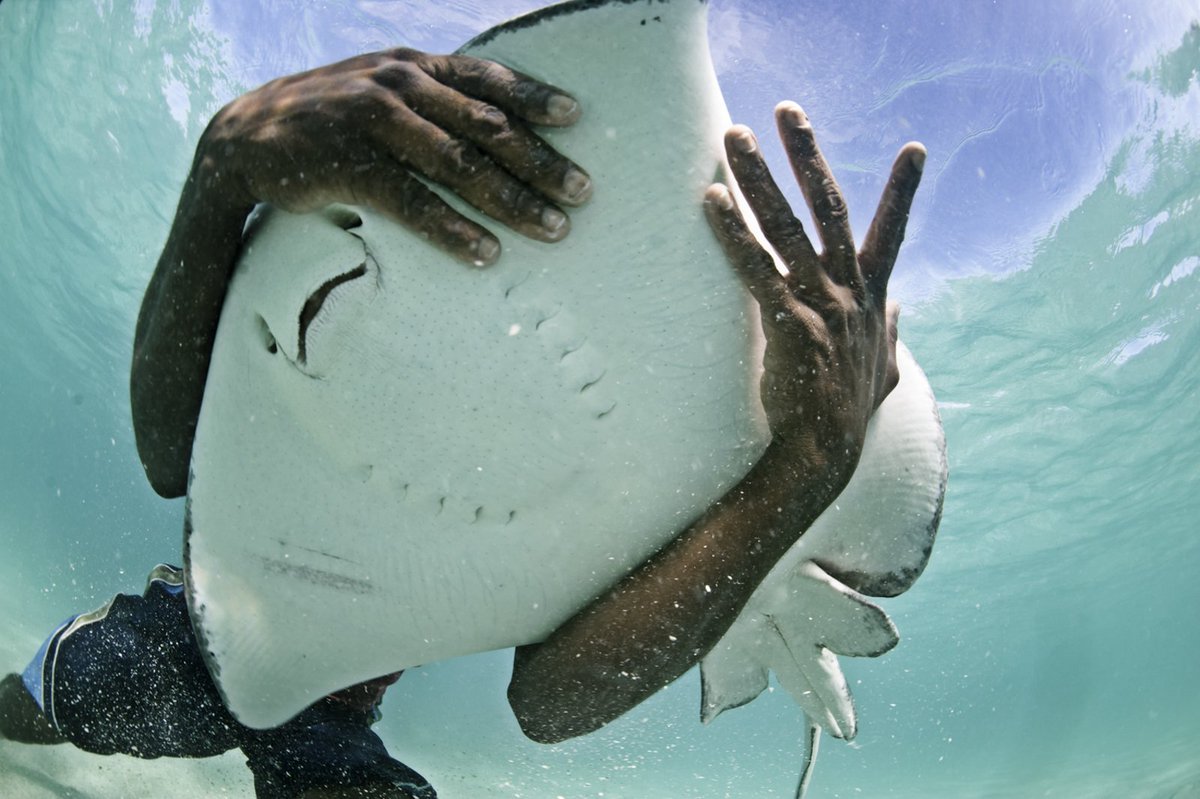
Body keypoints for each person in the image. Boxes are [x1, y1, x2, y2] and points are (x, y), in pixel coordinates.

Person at [0, 40, 924, 798]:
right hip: (212, 628)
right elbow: (172, 458)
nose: (312, 302)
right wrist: (224, 162)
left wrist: (809, 462)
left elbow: (550, 700)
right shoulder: (271, 331)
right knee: (57, 697)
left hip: (331, 703)